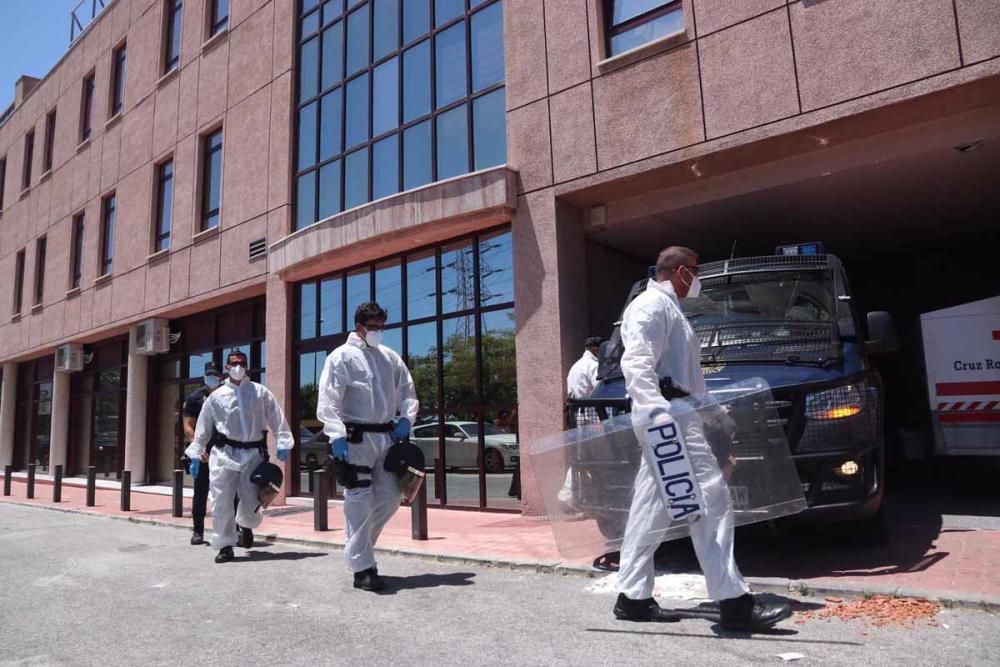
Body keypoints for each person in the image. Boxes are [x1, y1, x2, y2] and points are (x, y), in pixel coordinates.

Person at [614, 246, 792, 630]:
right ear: (680, 271)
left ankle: (632, 598)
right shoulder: (650, 307)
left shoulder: (671, 310)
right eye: (695, 272)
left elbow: (687, 380)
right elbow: (637, 363)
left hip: (675, 416)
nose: (698, 280)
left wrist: (716, 414)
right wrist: (657, 415)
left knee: (651, 508)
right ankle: (734, 604)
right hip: (669, 420)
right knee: (711, 502)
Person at [317, 302, 419, 592]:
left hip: (387, 438)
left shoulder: (390, 358)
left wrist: (406, 419)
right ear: (360, 326)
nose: (379, 331)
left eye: (381, 326)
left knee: (390, 498)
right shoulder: (342, 357)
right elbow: (328, 399)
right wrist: (335, 434)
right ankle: (363, 568)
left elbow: (407, 392)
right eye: (374, 326)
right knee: (358, 501)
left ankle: (356, 549)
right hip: (356, 438)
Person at [185, 350, 294, 563]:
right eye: (234, 363)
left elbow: (276, 416)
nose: (238, 366)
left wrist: (283, 440)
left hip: (253, 453)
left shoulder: (260, 392)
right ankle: (225, 545)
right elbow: (203, 428)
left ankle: (245, 524)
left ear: (247, 366)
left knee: (251, 499)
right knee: (221, 501)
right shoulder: (216, 397)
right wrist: (196, 453)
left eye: (241, 363)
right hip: (224, 454)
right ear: (227, 368)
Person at [182, 361, 241, 546]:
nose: (212, 378)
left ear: (221, 377)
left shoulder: (229, 395)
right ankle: (198, 531)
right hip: (203, 453)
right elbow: (188, 426)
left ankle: (236, 530)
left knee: (232, 492)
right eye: (209, 374)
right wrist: (198, 448)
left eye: (215, 375)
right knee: (201, 492)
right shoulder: (194, 398)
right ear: (204, 376)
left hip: (226, 451)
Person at [567, 336, 603, 426]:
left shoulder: (575, 366)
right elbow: (600, 390)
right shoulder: (594, 365)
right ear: (595, 349)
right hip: (592, 416)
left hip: (576, 415)